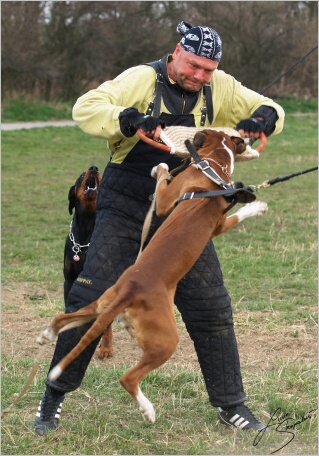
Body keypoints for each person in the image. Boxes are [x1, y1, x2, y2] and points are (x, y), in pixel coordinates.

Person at [34, 21, 285, 435]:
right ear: (176, 52)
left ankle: (232, 404)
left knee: (211, 306)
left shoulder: (218, 85)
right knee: (92, 295)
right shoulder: (142, 78)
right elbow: (87, 107)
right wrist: (128, 118)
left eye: (208, 69)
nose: (200, 76)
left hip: (183, 208)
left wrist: (261, 119)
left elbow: (270, 108)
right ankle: (53, 396)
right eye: (194, 66)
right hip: (127, 201)